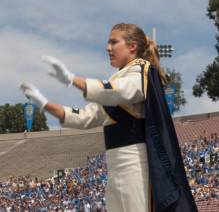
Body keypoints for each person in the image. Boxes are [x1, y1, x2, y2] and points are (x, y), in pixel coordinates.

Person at [20, 23, 197, 212]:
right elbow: (86, 117)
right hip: (115, 167)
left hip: (135, 165)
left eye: (114, 42)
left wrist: (73, 79)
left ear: (132, 46)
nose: (108, 48)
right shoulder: (117, 79)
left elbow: (120, 92)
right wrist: (44, 103)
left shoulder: (142, 70)